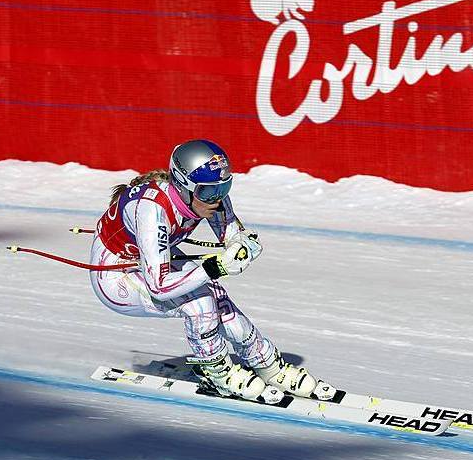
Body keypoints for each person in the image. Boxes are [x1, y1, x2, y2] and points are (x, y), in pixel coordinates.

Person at [89, 139, 333, 403]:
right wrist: (216, 265)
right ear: (184, 187)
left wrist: (243, 245)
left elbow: (232, 235)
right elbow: (159, 286)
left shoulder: (208, 195)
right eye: (208, 192)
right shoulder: (152, 210)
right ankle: (216, 372)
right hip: (115, 275)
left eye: (224, 187)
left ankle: (268, 365)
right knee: (200, 303)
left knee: (216, 295)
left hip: (150, 260)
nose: (217, 199)